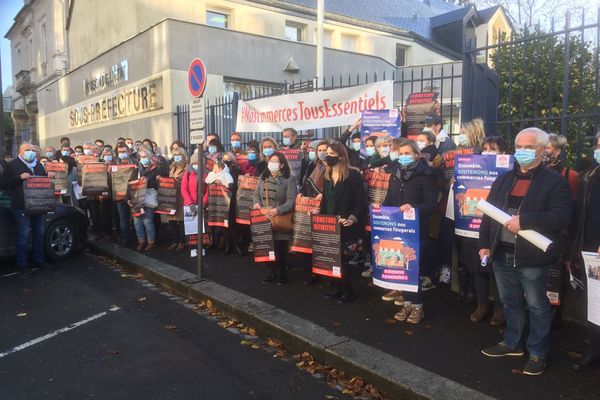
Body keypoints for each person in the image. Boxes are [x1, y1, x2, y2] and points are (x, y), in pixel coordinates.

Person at [478, 128, 572, 376]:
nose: (522, 151)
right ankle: (513, 343)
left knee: (538, 306)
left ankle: (538, 352)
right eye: (519, 146)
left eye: (529, 147)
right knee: (510, 301)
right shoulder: (503, 179)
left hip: (533, 258)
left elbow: (561, 217)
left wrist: (525, 221)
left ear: (543, 151)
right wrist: (484, 244)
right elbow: (489, 215)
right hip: (501, 253)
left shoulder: (555, 182)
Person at [379, 138, 438, 323]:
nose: (403, 157)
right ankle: (406, 304)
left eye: (407, 153)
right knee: (400, 267)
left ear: (416, 155)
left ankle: (417, 307)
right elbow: (389, 199)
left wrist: (413, 208)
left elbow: (431, 204)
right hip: (397, 230)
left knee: (413, 269)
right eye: (401, 153)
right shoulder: (395, 174)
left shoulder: (426, 176)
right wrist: (379, 209)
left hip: (417, 231)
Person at [317, 142, 366, 303]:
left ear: (341, 156)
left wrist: (352, 218)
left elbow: (361, 203)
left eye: (331, 153)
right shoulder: (327, 174)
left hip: (347, 224)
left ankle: (349, 290)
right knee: (334, 258)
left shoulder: (353, 175)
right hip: (329, 224)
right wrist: (318, 211)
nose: (327, 156)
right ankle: (339, 288)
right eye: (327, 153)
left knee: (347, 260)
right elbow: (326, 199)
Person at [569, 132, 600, 372]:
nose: (598, 149)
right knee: (593, 304)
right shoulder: (590, 176)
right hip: (589, 252)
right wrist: (573, 252)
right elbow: (578, 217)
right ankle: (593, 348)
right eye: (598, 144)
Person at [0, 142, 53, 272]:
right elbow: (4, 183)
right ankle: (22, 263)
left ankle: (38, 260)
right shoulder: (12, 165)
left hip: (38, 204)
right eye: (28, 150)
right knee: (23, 234)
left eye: (33, 150)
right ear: (20, 152)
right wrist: (19, 177)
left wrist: (48, 177)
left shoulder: (39, 165)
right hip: (20, 205)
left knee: (39, 233)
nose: (31, 152)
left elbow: (41, 181)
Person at [253, 152, 298, 285]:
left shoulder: (289, 178)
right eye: (270, 161)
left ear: (282, 164)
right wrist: (257, 204)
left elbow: (291, 201)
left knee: (279, 250)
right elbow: (256, 195)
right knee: (265, 248)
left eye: (275, 161)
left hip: (280, 219)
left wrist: (278, 210)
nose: (271, 163)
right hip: (263, 219)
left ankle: (281, 274)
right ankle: (271, 272)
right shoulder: (263, 176)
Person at [128, 147, 163, 251]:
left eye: (145, 157)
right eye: (142, 157)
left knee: (147, 220)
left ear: (150, 157)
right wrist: (128, 198)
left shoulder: (156, 169)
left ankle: (151, 242)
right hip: (136, 198)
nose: (144, 159)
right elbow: (129, 185)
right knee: (137, 221)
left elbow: (159, 184)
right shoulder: (135, 170)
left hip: (148, 198)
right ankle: (141, 241)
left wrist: (147, 181)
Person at [162, 147, 188, 251]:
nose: (176, 157)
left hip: (181, 197)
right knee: (172, 221)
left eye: (179, 155)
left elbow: (186, 182)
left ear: (183, 155)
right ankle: (175, 241)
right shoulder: (172, 167)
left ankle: (182, 242)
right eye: (175, 155)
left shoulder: (187, 167)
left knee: (181, 221)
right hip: (171, 197)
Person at [114, 143, 135, 246]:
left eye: (124, 151)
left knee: (137, 218)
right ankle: (126, 239)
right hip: (120, 195)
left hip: (133, 195)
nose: (122, 154)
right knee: (123, 219)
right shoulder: (115, 164)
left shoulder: (135, 162)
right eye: (120, 152)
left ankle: (139, 238)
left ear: (129, 152)